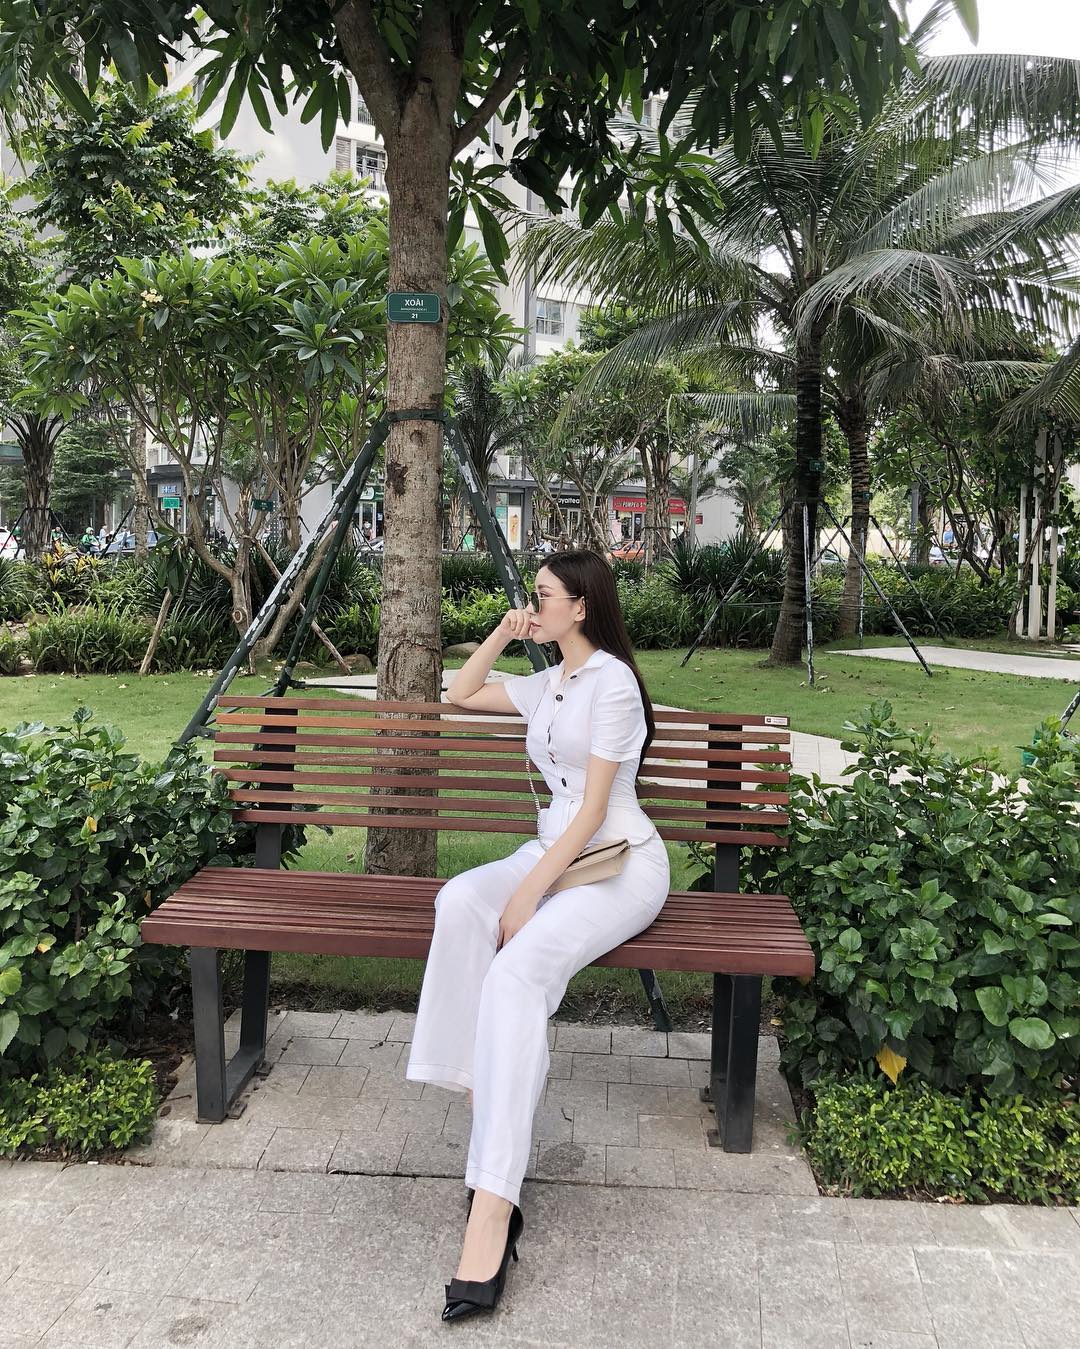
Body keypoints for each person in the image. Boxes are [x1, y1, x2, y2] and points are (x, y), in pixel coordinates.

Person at [405, 549, 670, 1322]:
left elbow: (594, 811)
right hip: (554, 851)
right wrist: (502, 631)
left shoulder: (613, 684)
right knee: (459, 901)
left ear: (581, 606)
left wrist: (528, 893)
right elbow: (460, 692)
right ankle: (487, 1090)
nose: (534, 603)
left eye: (544, 595)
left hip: (617, 861)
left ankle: (493, 1205)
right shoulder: (549, 680)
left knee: (516, 973)